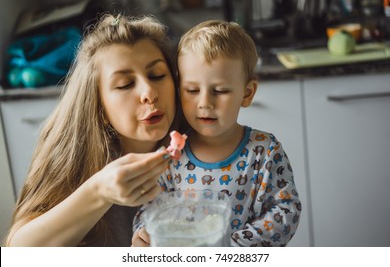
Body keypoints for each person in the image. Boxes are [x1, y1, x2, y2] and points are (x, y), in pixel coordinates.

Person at [4, 13, 181, 246]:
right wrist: (100, 191)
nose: (149, 92)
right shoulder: (73, 156)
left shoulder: (199, 139)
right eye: (125, 84)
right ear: (99, 108)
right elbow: (18, 250)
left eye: (157, 75)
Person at [133, 20, 301, 247]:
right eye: (192, 90)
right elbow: (150, 207)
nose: (204, 103)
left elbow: (285, 211)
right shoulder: (170, 156)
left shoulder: (265, 151)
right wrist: (144, 232)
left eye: (219, 90)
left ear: (247, 93)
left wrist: (227, 247)